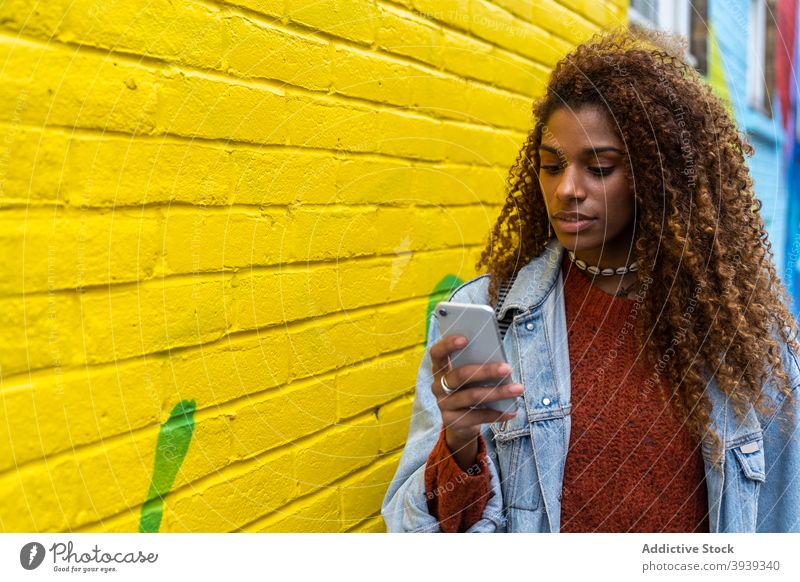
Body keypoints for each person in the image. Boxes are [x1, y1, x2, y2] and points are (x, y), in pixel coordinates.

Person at [381, 26, 800, 533]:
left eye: (598, 168)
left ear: (655, 174)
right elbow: (412, 531)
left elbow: (782, 519)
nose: (567, 189)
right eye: (550, 166)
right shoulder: (490, 318)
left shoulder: (739, 334)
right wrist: (459, 446)